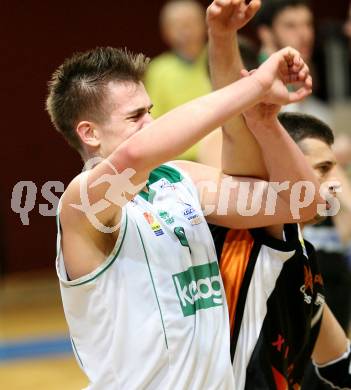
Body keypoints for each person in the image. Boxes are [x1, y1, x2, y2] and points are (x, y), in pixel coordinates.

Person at [46, 40, 318, 388]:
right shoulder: (81, 202)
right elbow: (135, 156)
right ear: (89, 133)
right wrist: (254, 86)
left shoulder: (180, 179)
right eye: (135, 116)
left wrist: (263, 119)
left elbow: (299, 203)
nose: (151, 123)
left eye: (150, 111)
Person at [206, 1, 351, 388]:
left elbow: (341, 364)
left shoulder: (304, 257)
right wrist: (222, 36)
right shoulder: (263, 224)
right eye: (318, 169)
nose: (334, 182)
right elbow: (233, 120)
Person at [144, 0, 211, 161]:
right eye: (177, 25)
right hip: (178, 160)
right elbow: (152, 120)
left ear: (206, 24)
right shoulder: (157, 70)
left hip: (221, 153)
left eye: (190, 23)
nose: (185, 30)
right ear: (165, 31)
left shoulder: (220, 59)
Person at [255, 0, 332, 125]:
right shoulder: (249, 81)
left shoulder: (318, 105)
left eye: (308, 24)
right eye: (290, 26)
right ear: (266, 33)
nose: (305, 34)